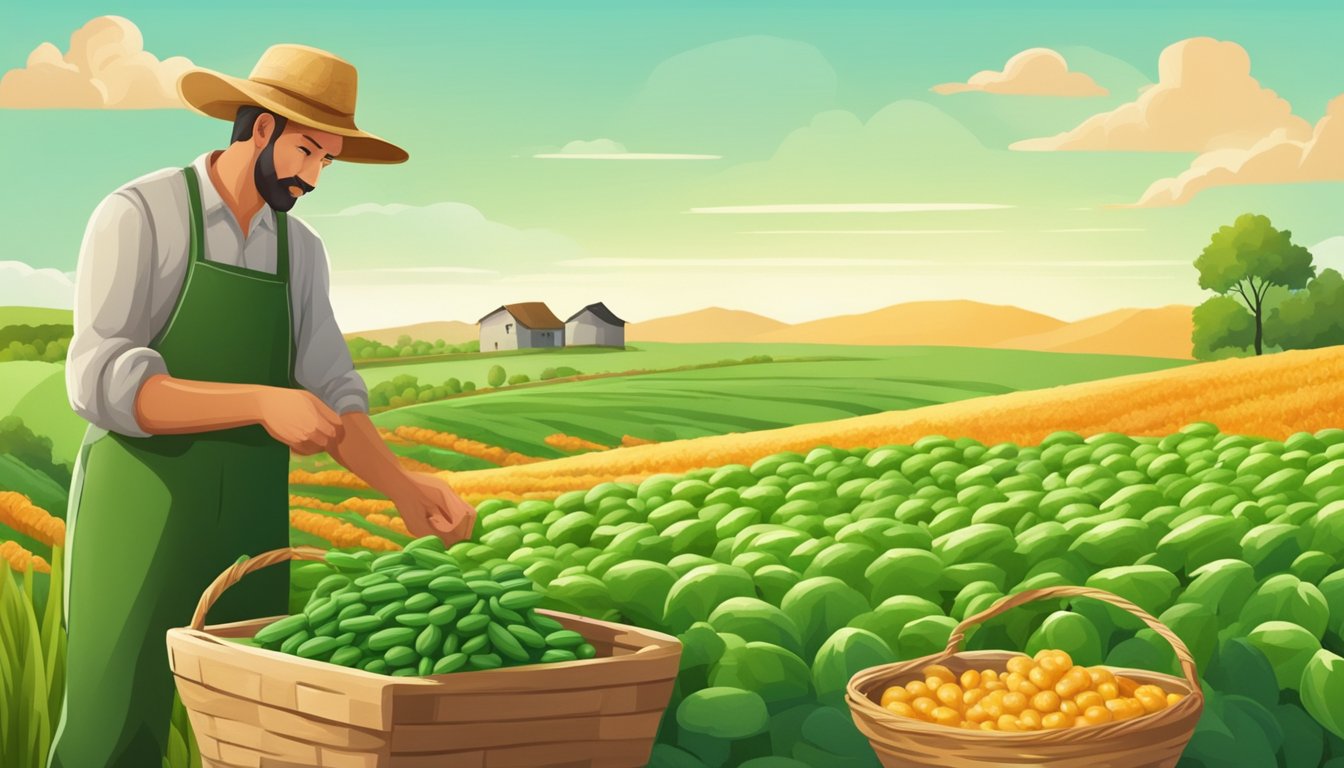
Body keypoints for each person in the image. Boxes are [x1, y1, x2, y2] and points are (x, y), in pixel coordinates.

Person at [49, 44, 478, 767]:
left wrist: (406, 490)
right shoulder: (141, 214)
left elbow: (334, 392)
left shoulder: (300, 252)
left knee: (265, 731)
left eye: (327, 162)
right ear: (259, 129)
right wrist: (259, 401)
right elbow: (100, 380)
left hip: (248, 523)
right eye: (307, 152)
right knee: (115, 725)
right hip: (139, 518)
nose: (314, 177)